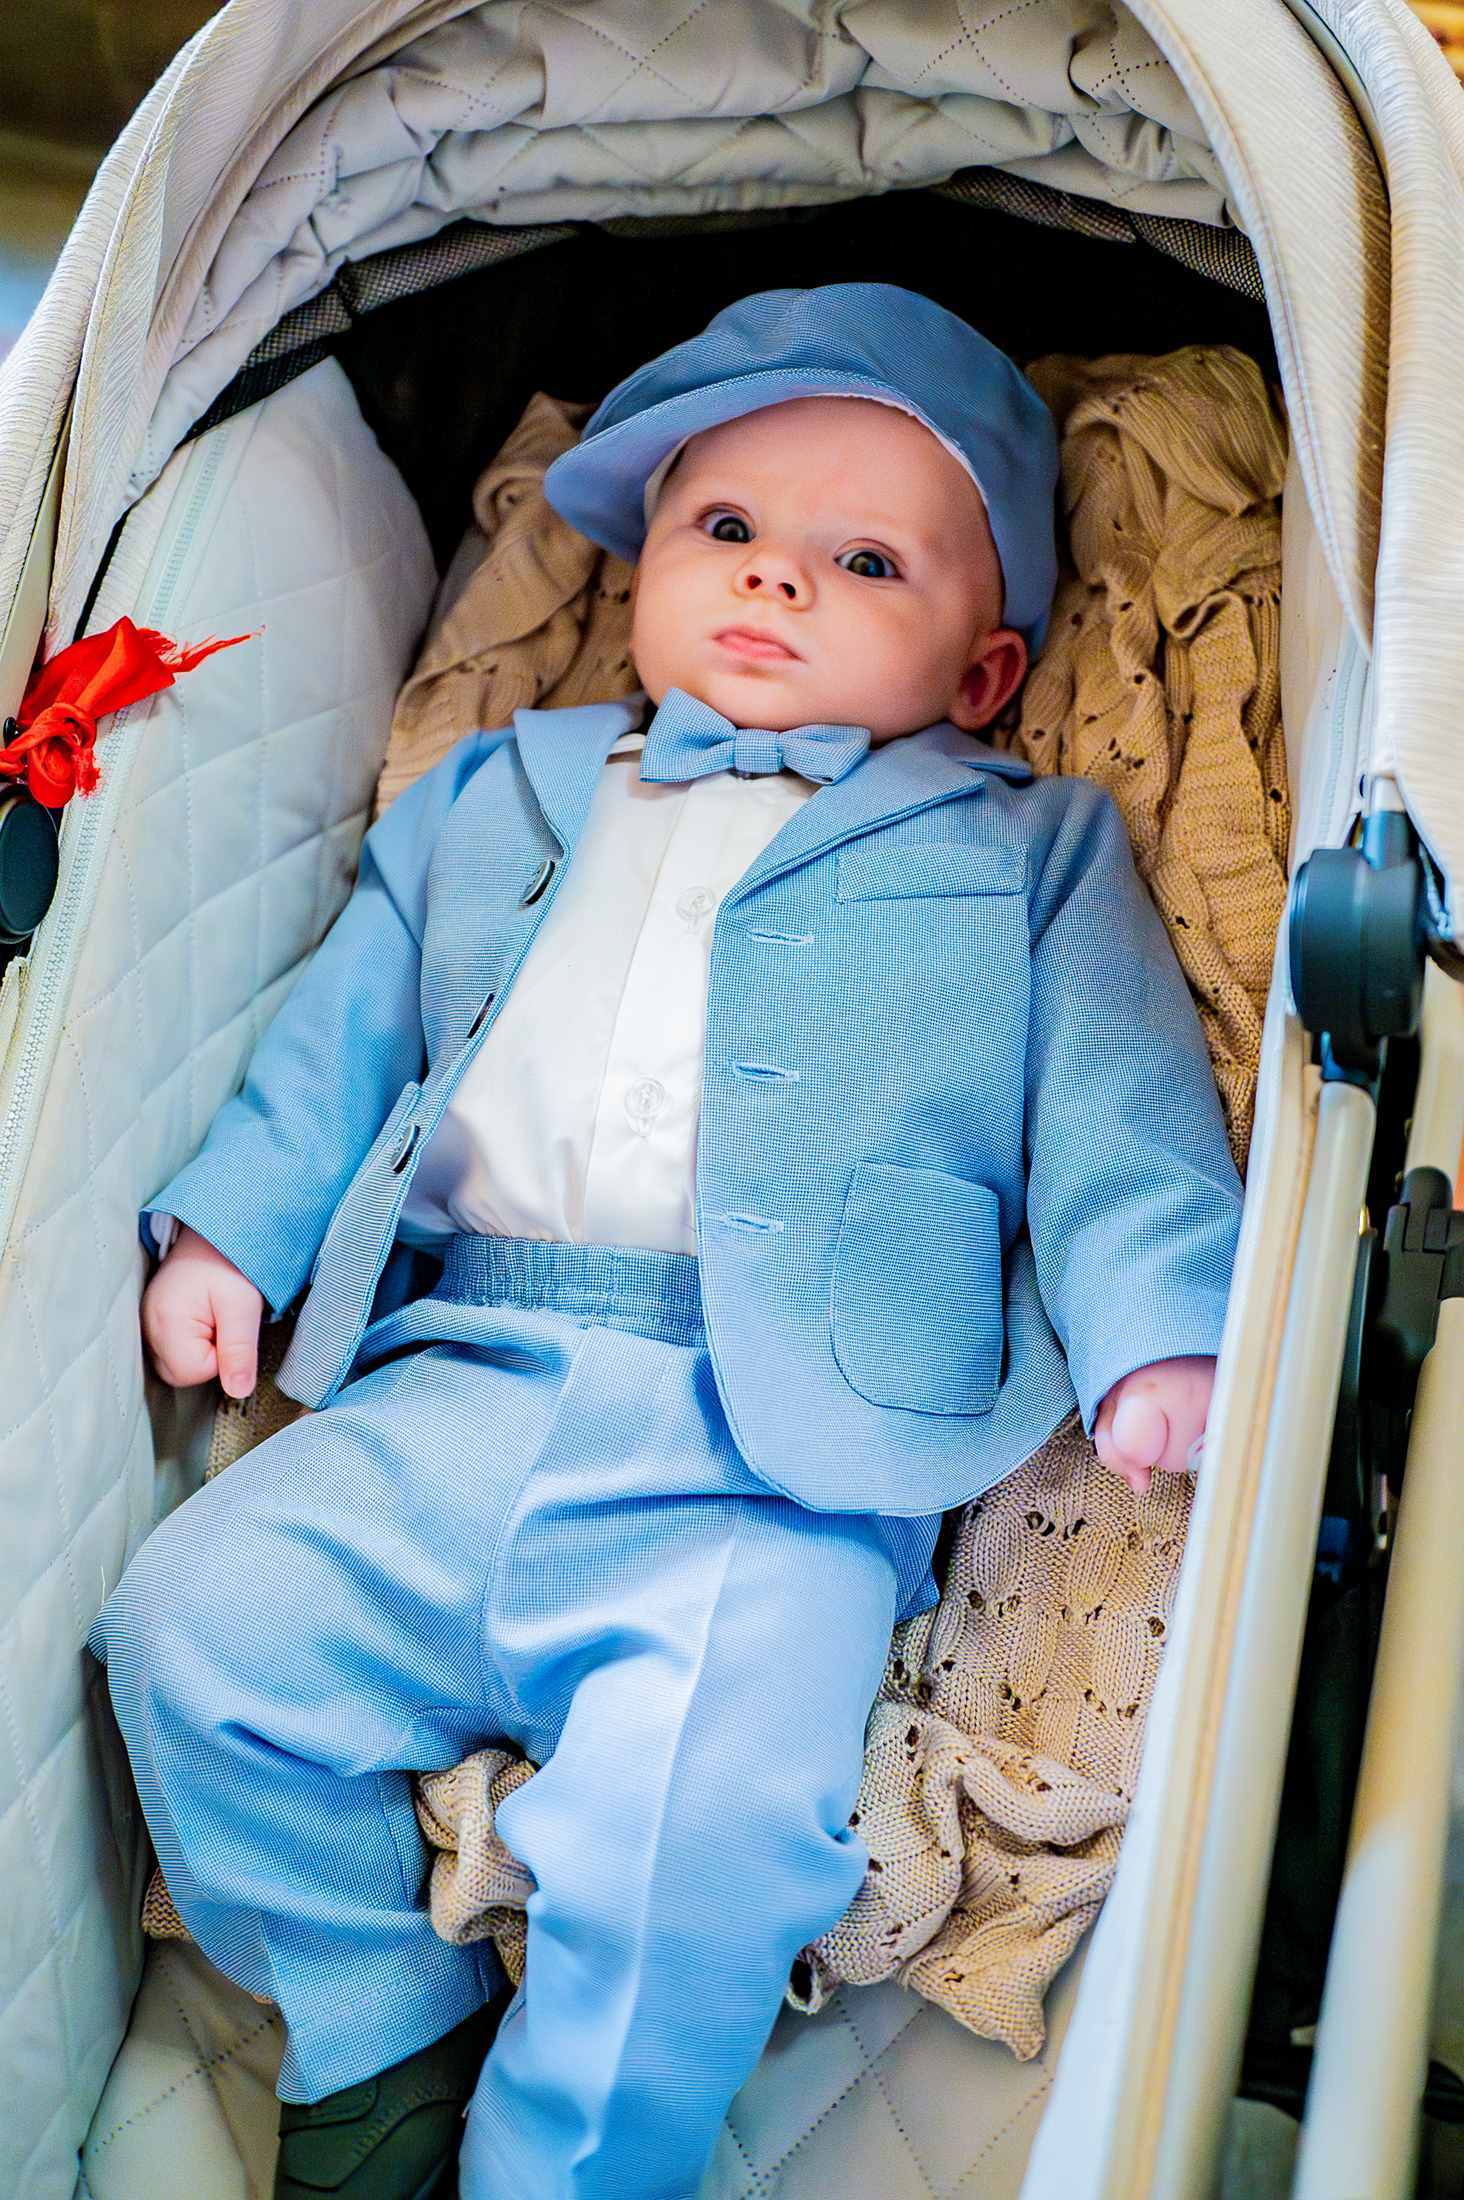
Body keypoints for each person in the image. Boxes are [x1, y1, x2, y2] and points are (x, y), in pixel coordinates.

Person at [90, 284, 1242, 2200]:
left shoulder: (1025, 851)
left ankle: (569, 2164)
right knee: (188, 1636)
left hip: (773, 1464)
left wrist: (1161, 1332)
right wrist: (234, 1225)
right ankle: (370, 2028)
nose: (776, 577)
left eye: (863, 561)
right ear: (644, 572)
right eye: (728, 528)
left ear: (982, 673)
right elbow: (348, 1025)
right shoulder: (499, 787)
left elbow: (1121, 1105)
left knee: (708, 1836)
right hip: (454, 1381)